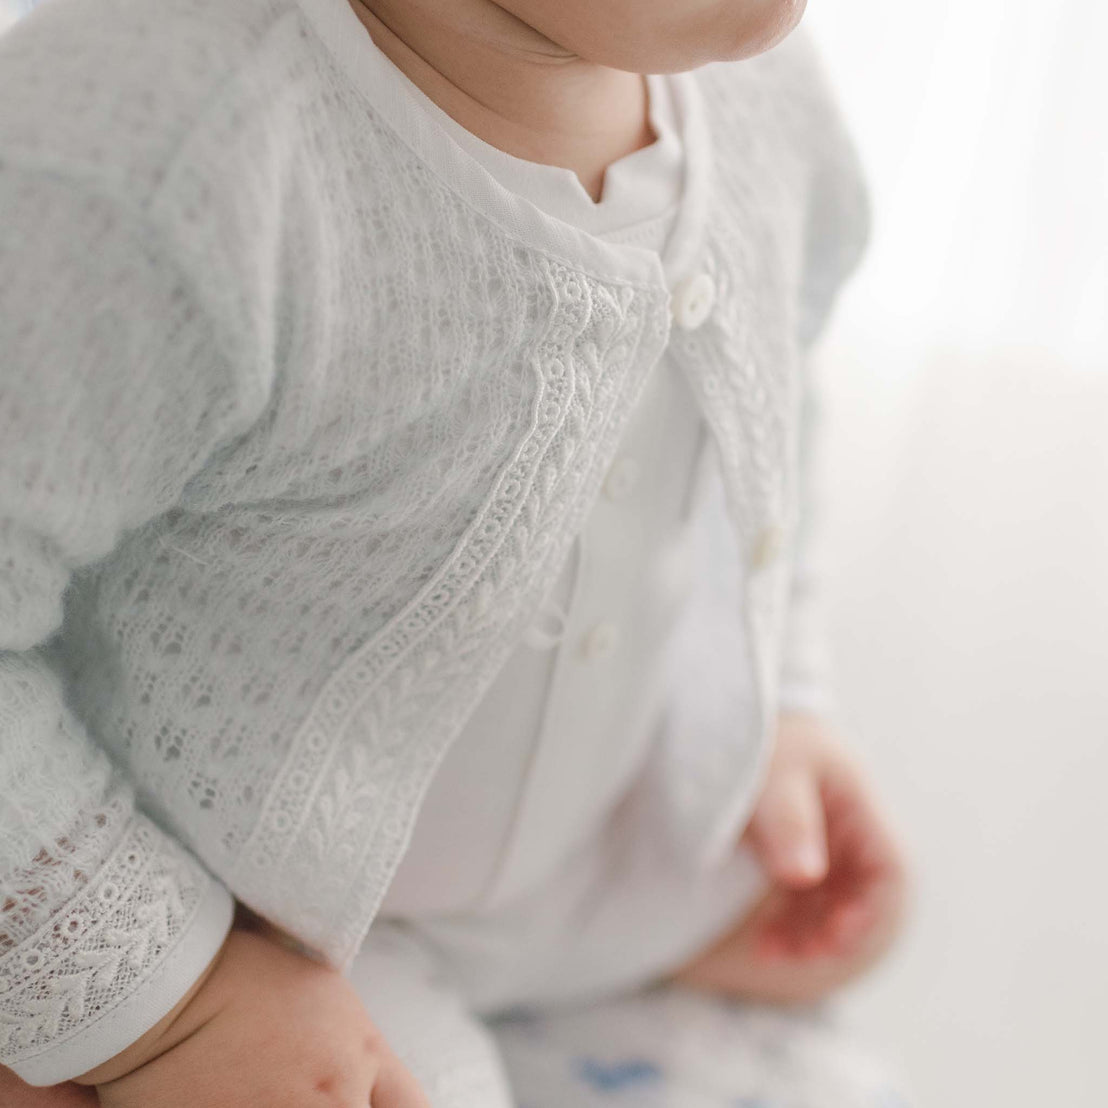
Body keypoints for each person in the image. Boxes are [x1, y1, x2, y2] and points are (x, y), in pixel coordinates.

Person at [0, 0, 910, 1103]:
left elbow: (767, 389)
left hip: (569, 858)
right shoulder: (160, 145)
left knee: (855, 913)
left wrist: (789, 708)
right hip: (259, 908)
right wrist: (172, 1005)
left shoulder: (758, 91)